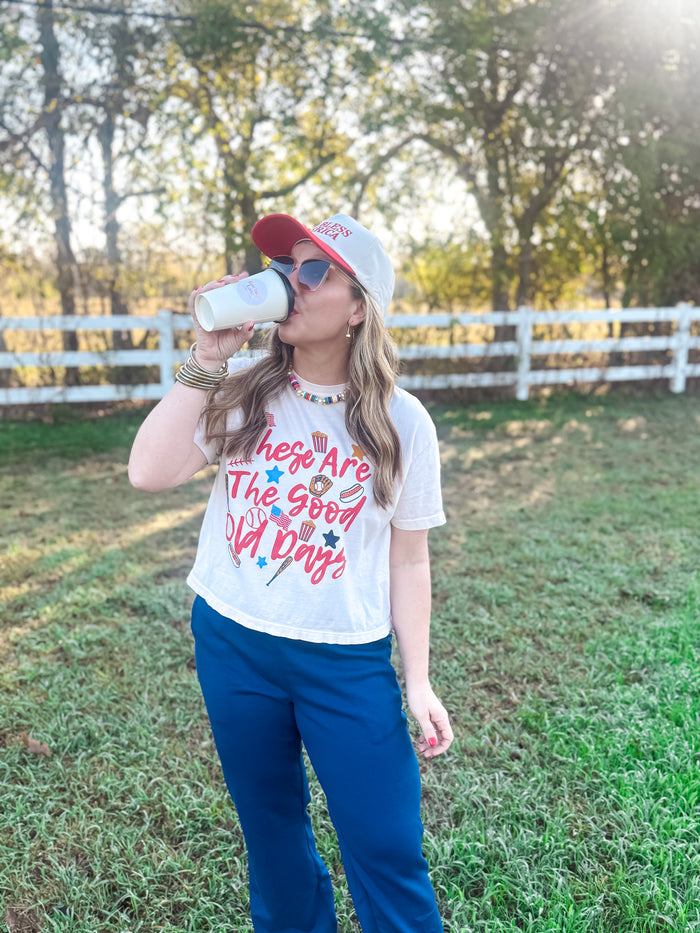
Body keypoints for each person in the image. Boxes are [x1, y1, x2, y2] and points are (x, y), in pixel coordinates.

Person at [128, 211, 453, 933]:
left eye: (314, 270)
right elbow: (148, 472)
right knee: (272, 833)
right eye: (284, 267)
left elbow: (409, 555)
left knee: (385, 842)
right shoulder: (242, 389)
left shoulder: (404, 423)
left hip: (345, 660)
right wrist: (205, 356)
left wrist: (419, 678)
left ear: (360, 306)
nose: (289, 282)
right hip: (233, 644)